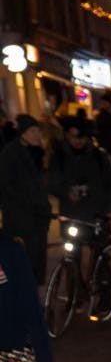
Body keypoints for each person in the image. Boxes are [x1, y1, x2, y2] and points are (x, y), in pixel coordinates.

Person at [0, 116, 53, 284]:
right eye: (32, 131)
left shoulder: (38, 153)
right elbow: (6, 187)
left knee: (36, 266)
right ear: (22, 133)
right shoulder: (10, 153)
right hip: (21, 220)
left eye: (38, 130)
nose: (37, 134)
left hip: (38, 217)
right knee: (23, 266)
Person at [50, 117, 111, 223]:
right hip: (71, 216)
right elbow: (52, 183)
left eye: (82, 137)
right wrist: (67, 192)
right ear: (67, 135)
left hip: (97, 215)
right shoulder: (59, 157)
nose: (78, 141)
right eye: (74, 137)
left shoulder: (98, 156)